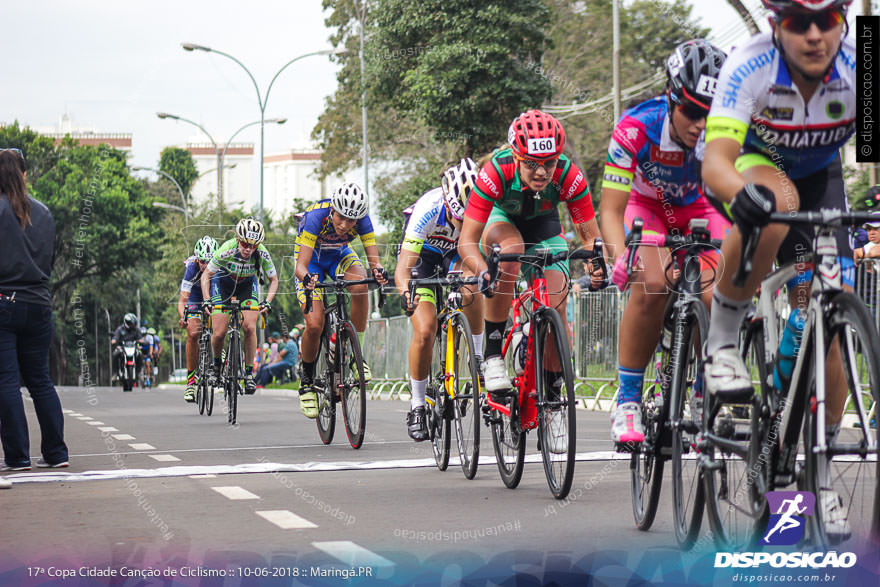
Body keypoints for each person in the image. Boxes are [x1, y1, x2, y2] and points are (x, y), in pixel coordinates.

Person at [701, 0, 856, 540]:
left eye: (828, 21)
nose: (814, 35)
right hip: (753, 161)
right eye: (798, 22)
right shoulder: (749, 62)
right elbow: (715, 157)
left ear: (846, 17)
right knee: (770, 204)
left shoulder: (866, 61)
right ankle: (722, 341)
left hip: (823, 173)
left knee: (836, 311)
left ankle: (822, 470)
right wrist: (738, 193)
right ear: (774, 24)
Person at [599, 39, 729, 444]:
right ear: (670, 99)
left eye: (709, 113)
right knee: (651, 282)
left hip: (701, 207)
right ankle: (629, 401)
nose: (699, 124)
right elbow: (610, 210)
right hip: (647, 207)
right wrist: (620, 256)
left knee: (722, 291)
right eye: (690, 110)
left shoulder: (725, 130)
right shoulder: (635, 127)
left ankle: (704, 396)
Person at [458, 110, 604, 400]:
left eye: (548, 163)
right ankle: (493, 354)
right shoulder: (495, 171)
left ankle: (551, 383)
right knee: (511, 252)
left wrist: (596, 263)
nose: (541, 171)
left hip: (543, 223)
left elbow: (590, 237)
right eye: (532, 164)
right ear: (516, 156)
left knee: (557, 303)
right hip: (502, 221)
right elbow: (467, 242)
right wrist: (483, 270)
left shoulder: (568, 174)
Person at [394, 159, 484, 441]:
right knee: (425, 329)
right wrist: (406, 292)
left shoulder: (483, 205)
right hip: (424, 257)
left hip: (457, 254)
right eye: (457, 217)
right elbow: (403, 270)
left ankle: (478, 359)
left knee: (473, 286)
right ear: (447, 200)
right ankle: (418, 405)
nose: (460, 223)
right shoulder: (428, 209)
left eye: (465, 219)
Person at [0, 147, 69, 472]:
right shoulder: (43, 213)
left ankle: (18, 457)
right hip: (40, 303)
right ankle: (56, 453)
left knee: (7, 382)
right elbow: (49, 260)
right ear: (24, 174)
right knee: (41, 380)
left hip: (4, 304)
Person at [294, 183, 388, 418]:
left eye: (351, 221)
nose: (345, 225)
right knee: (315, 324)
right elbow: (300, 266)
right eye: (341, 218)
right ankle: (306, 380)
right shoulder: (316, 217)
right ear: (333, 210)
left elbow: (374, 261)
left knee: (361, 285)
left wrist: (378, 271)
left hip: (339, 255)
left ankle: (356, 354)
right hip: (312, 261)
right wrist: (307, 279)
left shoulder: (363, 220)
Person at [200, 218, 279, 395]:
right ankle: (217, 366)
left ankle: (249, 374)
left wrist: (267, 301)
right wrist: (206, 299)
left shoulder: (262, 254)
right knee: (219, 332)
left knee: (250, 327)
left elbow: (274, 280)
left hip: (246, 286)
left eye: (253, 245)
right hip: (223, 284)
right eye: (244, 244)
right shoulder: (226, 249)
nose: (248, 249)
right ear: (237, 239)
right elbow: (206, 275)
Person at [177, 235, 217, 402]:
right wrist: (183, 318)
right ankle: (191, 382)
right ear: (196, 259)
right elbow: (182, 301)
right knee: (193, 333)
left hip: (214, 292)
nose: (205, 265)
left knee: (220, 321)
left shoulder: (220, 266)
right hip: (195, 295)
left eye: (209, 262)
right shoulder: (191, 268)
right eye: (202, 261)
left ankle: (219, 351)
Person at [111, 313, 142, 381]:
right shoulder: (120, 329)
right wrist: (114, 340)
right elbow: (115, 337)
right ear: (127, 323)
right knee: (115, 354)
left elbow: (140, 339)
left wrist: (142, 342)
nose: (133, 325)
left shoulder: (137, 330)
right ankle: (115, 373)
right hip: (122, 348)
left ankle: (139, 372)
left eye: (134, 324)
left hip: (134, 348)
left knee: (140, 354)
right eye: (132, 324)